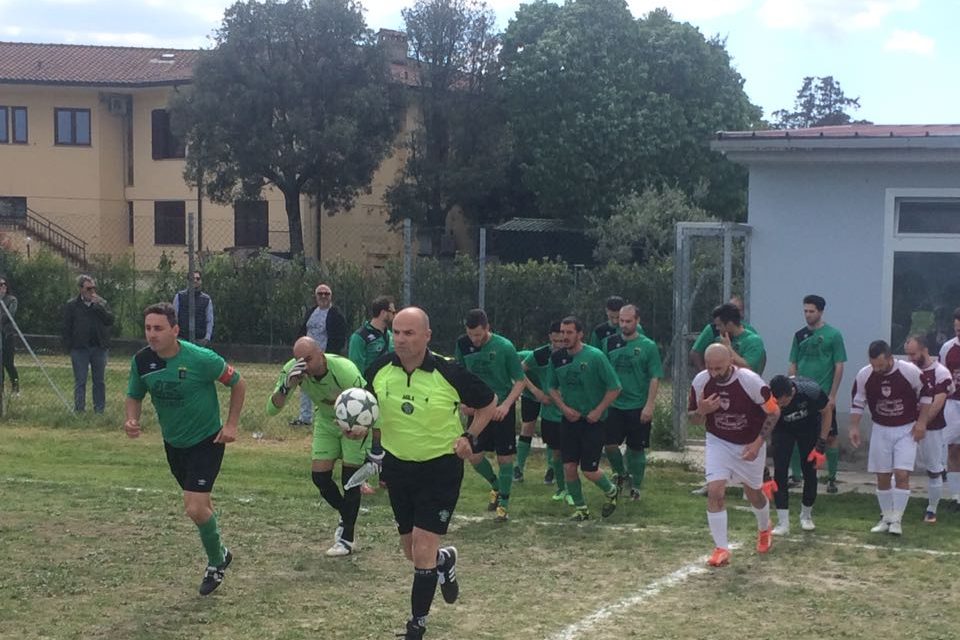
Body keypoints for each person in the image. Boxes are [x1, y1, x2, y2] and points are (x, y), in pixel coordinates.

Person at [364, 307, 496, 640]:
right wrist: (356, 431)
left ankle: (416, 625)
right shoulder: (379, 369)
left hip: (440, 468)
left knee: (421, 551)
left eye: (409, 333)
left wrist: (469, 436)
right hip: (398, 467)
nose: (401, 339)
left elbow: (489, 402)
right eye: (396, 332)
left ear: (427, 336)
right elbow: (365, 409)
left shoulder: (448, 371)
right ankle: (445, 561)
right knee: (411, 551)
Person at [124, 302, 246, 595]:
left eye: (159, 328)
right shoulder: (142, 361)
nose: (152, 335)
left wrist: (230, 425)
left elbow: (238, 383)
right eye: (148, 328)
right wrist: (132, 419)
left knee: (193, 507)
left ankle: (216, 562)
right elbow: (134, 394)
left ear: (175, 330)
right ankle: (222, 553)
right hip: (174, 444)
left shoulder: (201, 358)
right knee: (201, 507)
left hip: (207, 441)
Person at [266, 336, 369, 556]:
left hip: (354, 423)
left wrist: (365, 429)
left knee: (351, 481)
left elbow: (369, 401)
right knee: (320, 478)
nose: (304, 364)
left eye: (309, 359)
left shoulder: (344, 369)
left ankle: (346, 540)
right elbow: (272, 409)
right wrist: (287, 386)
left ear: (321, 354)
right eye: (298, 360)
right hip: (325, 421)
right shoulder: (293, 371)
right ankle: (346, 514)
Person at [687, 344, 780, 567]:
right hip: (718, 441)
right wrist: (702, 411)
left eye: (719, 368)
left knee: (754, 493)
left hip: (749, 442)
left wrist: (758, 443)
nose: (715, 373)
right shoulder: (701, 381)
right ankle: (721, 548)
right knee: (715, 491)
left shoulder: (750, 381)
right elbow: (693, 418)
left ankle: (764, 528)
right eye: (710, 368)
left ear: (731, 361)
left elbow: (774, 411)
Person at [848, 340, 932, 535]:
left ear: (890, 358)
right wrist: (854, 426)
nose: (877, 369)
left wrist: (921, 423)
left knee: (902, 474)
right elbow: (858, 401)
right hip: (880, 428)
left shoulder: (909, 371)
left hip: (906, 428)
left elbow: (927, 395)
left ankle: (897, 520)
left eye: (881, 365)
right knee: (882, 475)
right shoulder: (864, 375)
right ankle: (886, 517)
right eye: (873, 365)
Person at [544, 316, 622, 521]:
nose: (565, 337)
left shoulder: (595, 356)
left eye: (569, 332)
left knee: (589, 470)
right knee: (568, 466)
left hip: (593, 422)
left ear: (580, 334)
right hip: (569, 421)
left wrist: (598, 410)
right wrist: (563, 407)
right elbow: (550, 387)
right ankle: (581, 509)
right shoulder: (557, 358)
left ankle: (611, 490)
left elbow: (615, 387)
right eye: (562, 332)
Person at [454, 308, 526, 522]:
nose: (474, 339)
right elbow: (460, 375)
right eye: (470, 334)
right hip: (478, 409)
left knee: (505, 458)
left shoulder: (505, 347)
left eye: (478, 334)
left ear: (487, 328)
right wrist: (464, 401)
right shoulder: (462, 345)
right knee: (473, 455)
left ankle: (503, 503)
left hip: (501, 409)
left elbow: (520, 381)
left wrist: (505, 406)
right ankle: (496, 485)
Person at [602, 304, 663, 501]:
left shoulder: (648, 346)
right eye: (621, 321)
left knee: (636, 448)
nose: (624, 325)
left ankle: (636, 486)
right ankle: (621, 474)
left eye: (628, 321)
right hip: (614, 404)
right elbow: (604, 372)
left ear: (637, 321)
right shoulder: (610, 343)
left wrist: (649, 405)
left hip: (637, 405)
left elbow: (655, 377)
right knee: (609, 444)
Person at [788, 294, 847, 494]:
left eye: (811, 311)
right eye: (805, 311)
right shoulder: (799, 335)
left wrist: (833, 394)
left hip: (822, 392)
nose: (807, 315)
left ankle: (831, 478)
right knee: (796, 434)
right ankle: (795, 475)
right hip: (801, 391)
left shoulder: (833, 335)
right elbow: (793, 363)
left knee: (830, 436)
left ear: (820, 312)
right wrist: (792, 387)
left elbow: (839, 365)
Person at [768, 375, 832, 535]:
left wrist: (821, 443)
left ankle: (806, 515)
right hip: (782, 429)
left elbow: (827, 411)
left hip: (809, 427)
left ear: (792, 392)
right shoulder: (768, 397)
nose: (781, 405)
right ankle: (783, 521)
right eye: (778, 402)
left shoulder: (811, 391)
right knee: (780, 470)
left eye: (784, 401)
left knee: (809, 469)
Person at [904, 334, 953, 523]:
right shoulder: (908, 370)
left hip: (932, 429)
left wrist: (922, 424)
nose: (910, 359)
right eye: (908, 354)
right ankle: (894, 506)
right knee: (901, 467)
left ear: (925, 350)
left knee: (934, 469)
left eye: (913, 354)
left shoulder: (941, 373)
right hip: (907, 426)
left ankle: (932, 509)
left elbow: (938, 402)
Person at [516, 322, 566, 495]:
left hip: (554, 399)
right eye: (557, 339)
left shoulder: (571, 353)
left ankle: (551, 469)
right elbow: (518, 369)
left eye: (563, 339)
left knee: (554, 433)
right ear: (551, 337)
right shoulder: (538, 355)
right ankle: (519, 467)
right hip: (534, 394)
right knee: (527, 426)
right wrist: (535, 391)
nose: (561, 343)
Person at [291, 283, 347, 426]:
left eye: (326, 294)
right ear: (315, 296)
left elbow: (340, 337)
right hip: (306, 358)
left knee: (327, 389)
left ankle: (331, 416)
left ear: (331, 296)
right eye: (320, 294)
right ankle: (305, 418)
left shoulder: (336, 314)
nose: (323, 296)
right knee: (305, 385)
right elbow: (302, 330)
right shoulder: (311, 312)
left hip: (324, 358)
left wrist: (330, 356)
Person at [63, 275, 114, 413]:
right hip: (80, 348)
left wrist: (99, 307)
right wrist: (69, 345)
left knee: (99, 381)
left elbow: (110, 320)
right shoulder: (72, 305)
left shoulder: (101, 303)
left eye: (93, 288)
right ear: (81, 289)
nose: (92, 291)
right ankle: (79, 409)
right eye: (88, 288)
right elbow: (66, 327)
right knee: (80, 380)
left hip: (99, 347)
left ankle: (99, 409)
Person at [689, 295, 756, 372]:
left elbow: (755, 363)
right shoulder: (712, 330)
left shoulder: (751, 335)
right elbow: (695, 353)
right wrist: (705, 374)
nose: (735, 312)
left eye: (738, 310)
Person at [938, 308, 960, 510]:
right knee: (952, 448)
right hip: (953, 402)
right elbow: (942, 375)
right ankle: (956, 496)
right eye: (956, 329)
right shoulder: (948, 348)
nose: (959, 332)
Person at [348, 295, 395, 373]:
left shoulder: (390, 335)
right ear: (383, 313)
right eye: (393, 312)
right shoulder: (360, 337)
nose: (394, 315)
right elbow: (356, 369)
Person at [172, 271, 214, 345]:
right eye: (192, 278)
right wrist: (175, 335)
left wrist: (207, 337)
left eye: (198, 278)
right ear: (188, 281)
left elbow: (209, 320)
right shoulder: (179, 296)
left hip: (200, 339)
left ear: (201, 281)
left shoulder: (206, 299)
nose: (195, 281)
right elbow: (174, 317)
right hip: (182, 338)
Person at [0, 277, 20, 395]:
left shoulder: (12, 300)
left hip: (7, 336)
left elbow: (9, 315)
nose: (2, 287)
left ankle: (15, 387)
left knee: (8, 363)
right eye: (0, 285)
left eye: (4, 284)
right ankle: (1, 389)